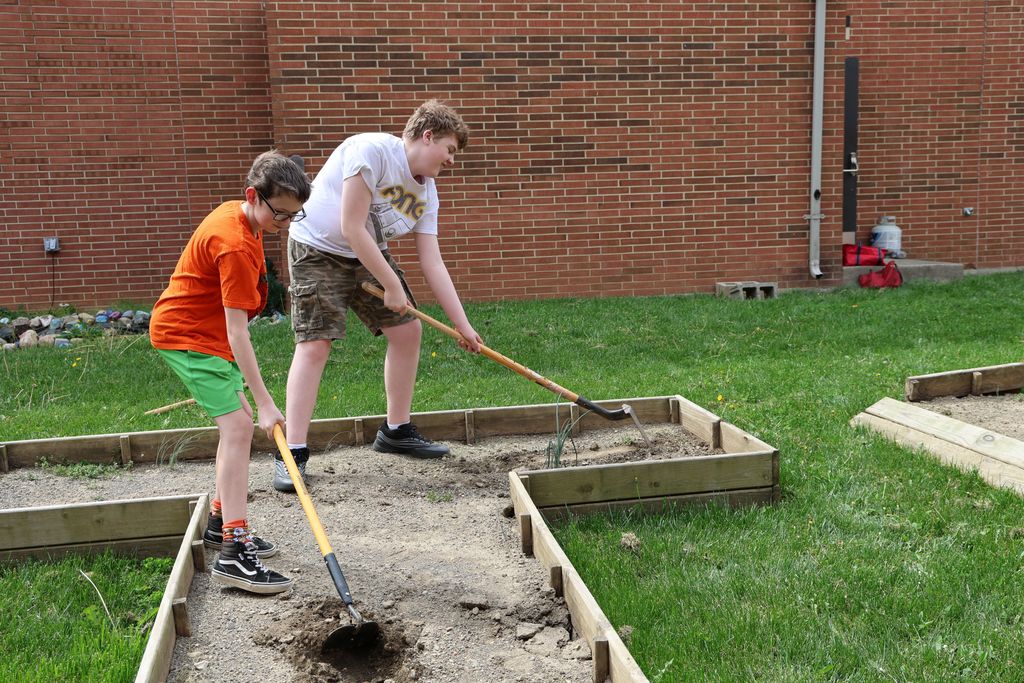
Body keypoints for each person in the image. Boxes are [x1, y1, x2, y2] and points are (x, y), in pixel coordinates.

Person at [275, 99, 482, 493]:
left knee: (407, 332)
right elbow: (351, 226)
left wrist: (462, 325)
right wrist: (390, 285)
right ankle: (293, 454)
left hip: (364, 252)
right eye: (450, 149)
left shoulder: (427, 194)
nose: (452, 161)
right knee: (315, 344)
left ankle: (396, 430)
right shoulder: (370, 152)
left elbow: (432, 262)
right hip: (317, 248)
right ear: (427, 136)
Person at [150, 151, 311, 593]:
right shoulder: (236, 242)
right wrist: (264, 403)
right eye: (280, 213)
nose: (285, 224)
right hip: (187, 337)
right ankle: (235, 554)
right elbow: (239, 334)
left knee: (234, 429)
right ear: (252, 196)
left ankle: (222, 523)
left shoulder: (244, 219)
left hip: (208, 337)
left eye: (294, 215)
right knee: (240, 427)